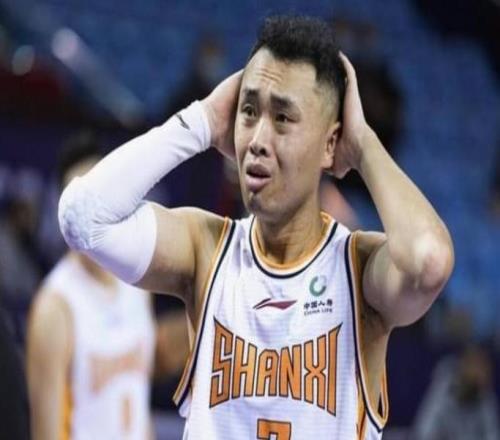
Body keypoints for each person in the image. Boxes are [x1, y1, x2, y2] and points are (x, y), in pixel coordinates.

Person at [58, 15, 454, 440]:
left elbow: (429, 262)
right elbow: (83, 217)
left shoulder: (358, 270)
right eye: (249, 111)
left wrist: (362, 145)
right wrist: (202, 121)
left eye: (282, 118)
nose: (258, 140)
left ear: (329, 144)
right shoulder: (205, 249)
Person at [28, 133, 188, 440]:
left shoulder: (137, 281)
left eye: (97, 199)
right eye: (80, 206)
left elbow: (135, 394)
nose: (90, 217)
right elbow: (45, 432)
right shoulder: (56, 307)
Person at [412, 344, 500, 440]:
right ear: (464, 366)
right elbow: (423, 431)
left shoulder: (485, 397)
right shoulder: (444, 388)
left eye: (485, 369)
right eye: (478, 367)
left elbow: (493, 435)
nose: (482, 375)